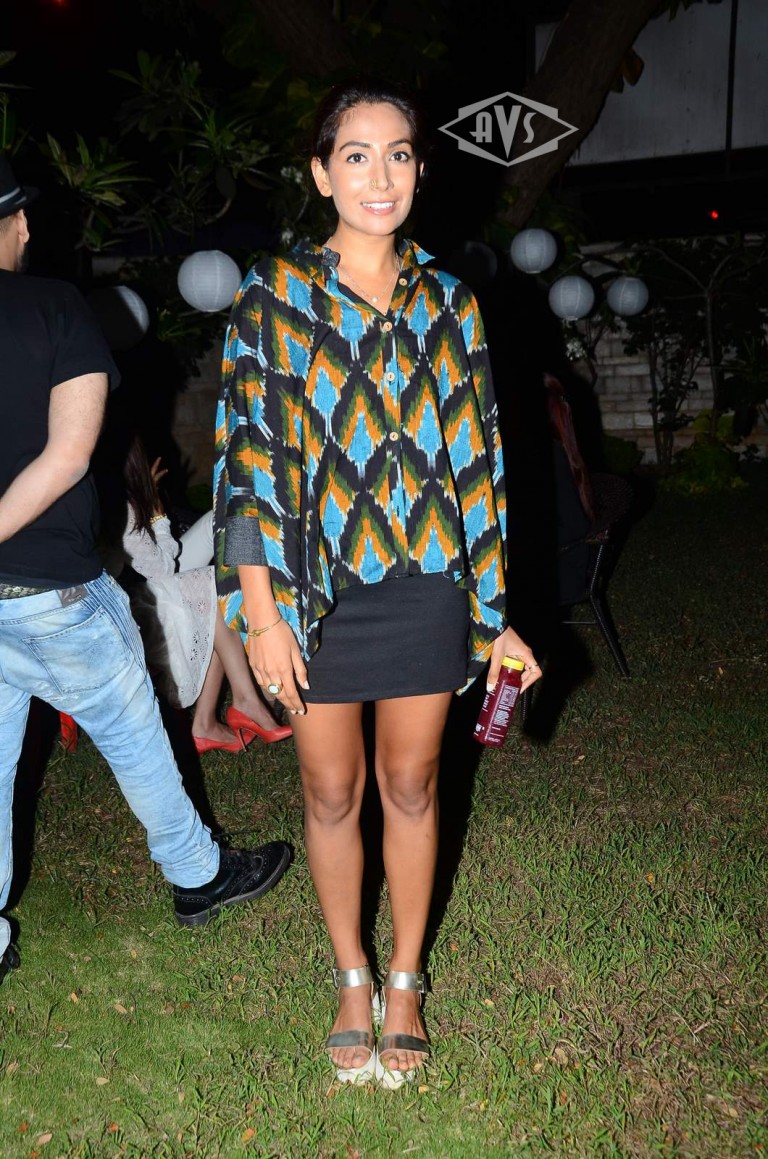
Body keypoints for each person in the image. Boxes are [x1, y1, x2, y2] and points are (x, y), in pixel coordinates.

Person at [213, 78, 542, 1087]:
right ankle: (350, 974)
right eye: (355, 154)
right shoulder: (274, 295)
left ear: (420, 170)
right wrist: (260, 614)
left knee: (410, 782)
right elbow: (245, 461)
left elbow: (480, 461)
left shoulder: (450, 301)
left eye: (398, 153)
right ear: (322, 173)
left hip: (430, 584)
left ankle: (404, 979)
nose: (379, 175)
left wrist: (495, 616)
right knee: (330, 787)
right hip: (313, 593)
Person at [0, 154, 291, 988]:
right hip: (51, 589)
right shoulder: (56, 306)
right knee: (135, 738)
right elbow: (67, 456)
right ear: (20, 223)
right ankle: (201, 876)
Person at [118, 432, 291, 752]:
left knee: (219, 526)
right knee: (209, 589)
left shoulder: (121, 497)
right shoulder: (120, 506)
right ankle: (243, 702)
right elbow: (160, 569)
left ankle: (211, 721)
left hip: (144, 585)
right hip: (131, 607)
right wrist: (157, 515)